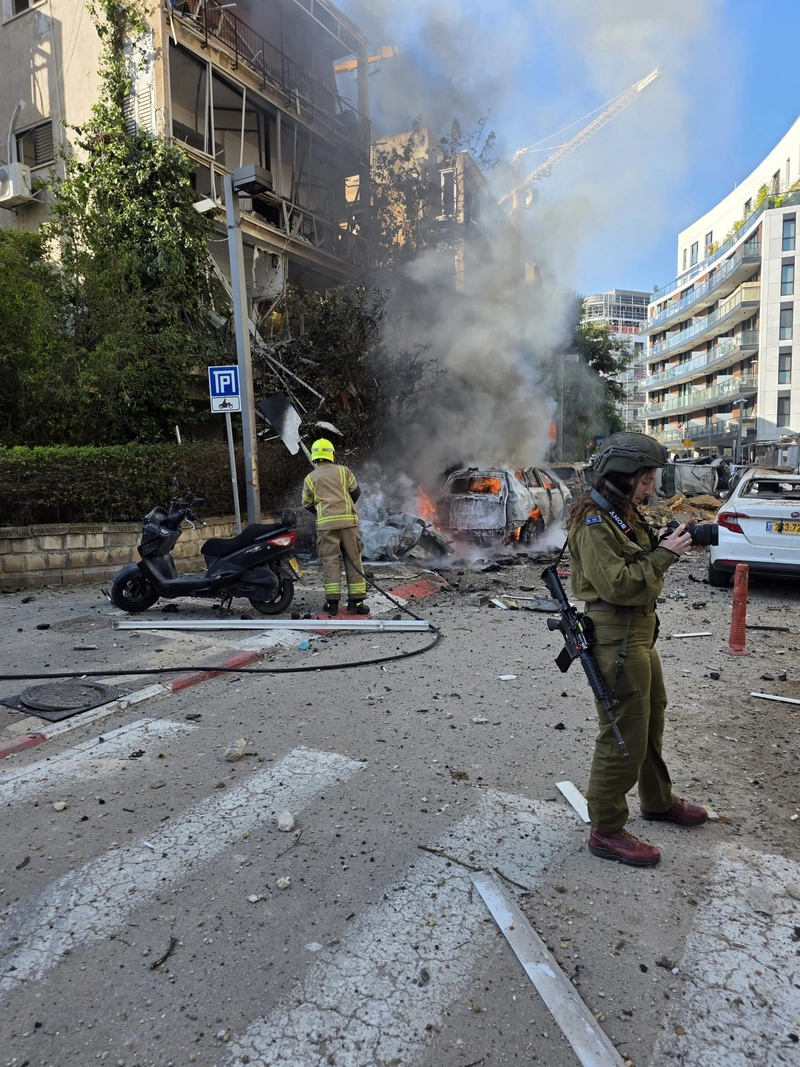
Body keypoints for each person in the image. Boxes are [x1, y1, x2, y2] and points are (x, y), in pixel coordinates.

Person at [566, 432, 708, 868]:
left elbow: (638, 557)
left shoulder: (621, 514)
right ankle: (606, 829)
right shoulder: (594, 523)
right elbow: (620, 585)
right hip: (617, 633)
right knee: (622, 732)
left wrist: (666, 540)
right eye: (645, 481)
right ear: (622, 476)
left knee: (651, 719)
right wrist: (665, 555)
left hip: (640, 631)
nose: (649, 490)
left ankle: (657, 800)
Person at [301, 438, 369, 616]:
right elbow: (356, 492)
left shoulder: (310, 478)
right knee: (354, 559)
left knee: (330, 561)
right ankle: (356, 603)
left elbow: (306, 503)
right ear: (331, 454)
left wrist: (321, 513)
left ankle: (332, 604)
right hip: (348, 523)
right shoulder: (343, 471)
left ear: (315, 456)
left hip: (326, 526)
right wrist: (346, 507)